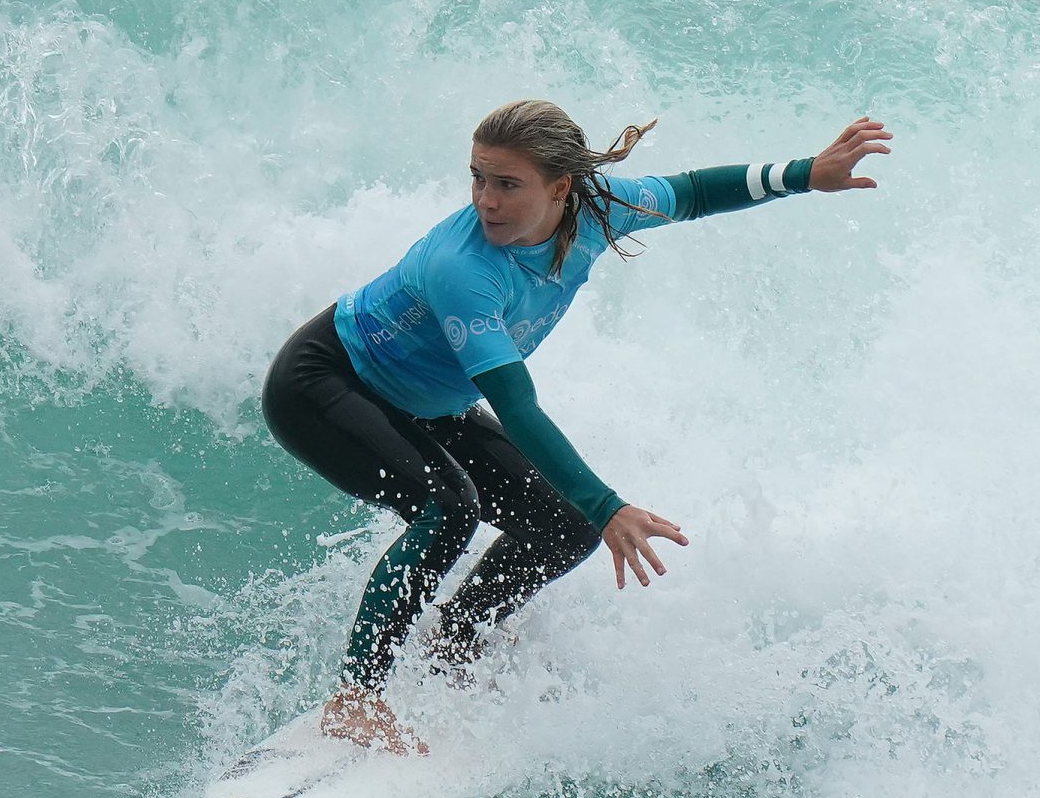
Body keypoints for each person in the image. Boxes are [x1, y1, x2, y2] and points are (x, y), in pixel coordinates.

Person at [261, 100, 891, 753]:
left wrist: (804, 173)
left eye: (507, 184)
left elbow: (694, 192)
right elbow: (517, 406)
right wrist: (610, 504)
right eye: (478, 178)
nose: (486, 200)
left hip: (426, 403)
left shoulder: (599, 208)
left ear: (560, 188)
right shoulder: (463, 269)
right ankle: (356, 697)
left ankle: (453, 644)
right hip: (326, 383)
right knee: (449, 509)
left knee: (564, 525)